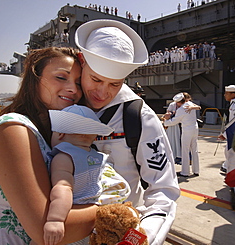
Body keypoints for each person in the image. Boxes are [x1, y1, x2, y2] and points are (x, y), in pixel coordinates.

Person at [0, 47, 99, 244]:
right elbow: (42, 231)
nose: (73, 89)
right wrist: (117, 208)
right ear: (34, 79)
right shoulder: (12, 128)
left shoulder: (52, 135)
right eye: (61, 77)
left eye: (78, 82)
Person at [75, 19, 180, 245]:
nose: (102, 92)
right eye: (96, 79)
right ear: (81, 61)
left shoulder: (140, 118)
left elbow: (163, 191)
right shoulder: (61, 107)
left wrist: (136, 239)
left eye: (115, 84)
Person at [38, 105, 130, 245]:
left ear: (59, 133)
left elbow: (63, 187)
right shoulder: (97, 157)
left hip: (72, 214)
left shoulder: (64, 157)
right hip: (93, 221)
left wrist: (55, 220)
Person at [163, 92, 200, 177]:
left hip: (187, 131)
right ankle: (196, 170)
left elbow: (174, 121)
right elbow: (198, 107)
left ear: (179, 102)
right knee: (194, 149)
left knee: (185, 150)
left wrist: (165, 121)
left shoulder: (181, 110)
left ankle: (185, 172)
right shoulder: (189, 104)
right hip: (195, 128)